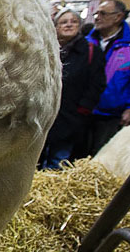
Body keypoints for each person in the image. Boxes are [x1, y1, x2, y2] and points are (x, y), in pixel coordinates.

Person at [39, 9, 106, 169]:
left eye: (73, 21)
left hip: (71, 114)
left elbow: (97, 83)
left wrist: (83, 108)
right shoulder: (45, 49)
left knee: (60, 158)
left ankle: (53, 189)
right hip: (43, 113)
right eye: (64, 22)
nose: (69, 24)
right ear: (55, 27)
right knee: (38, 157)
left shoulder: (91, 51)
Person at [86, 0, 130, 154]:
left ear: (118, 17)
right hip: (85, 110)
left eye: (103, 13)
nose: (97, 17)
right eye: (96, 13)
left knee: (104, 153)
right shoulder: (88, 42)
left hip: (113, 113)